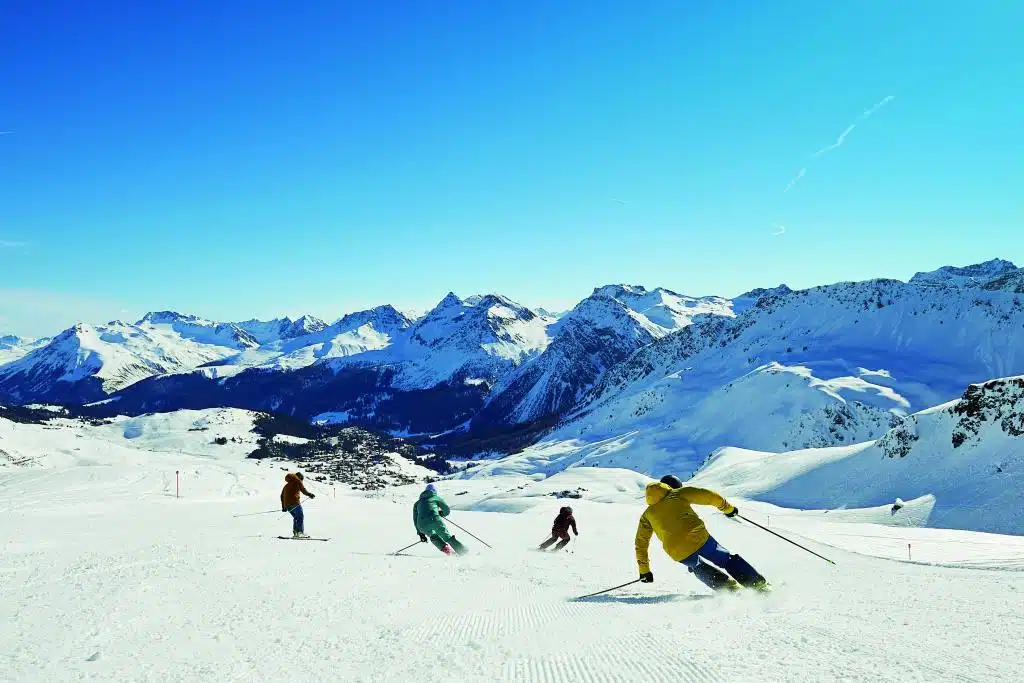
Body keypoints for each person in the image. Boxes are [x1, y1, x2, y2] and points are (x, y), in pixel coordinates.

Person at [634, 474, 768, 592]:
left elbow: (641, 544)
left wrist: (644, 571)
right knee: (726, 559)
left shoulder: (647, 515)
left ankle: (727, 588)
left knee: (696, 566)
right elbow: (709, 496)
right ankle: (758, 585)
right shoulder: (678, 493)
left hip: (676, 551)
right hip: (698, 538)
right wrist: (728, 509)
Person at [413, 484, 468, 556]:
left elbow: (415, 518)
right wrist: (441, 513)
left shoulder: (417, 503)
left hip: (421, 524)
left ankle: (447, 550)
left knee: (433, 536)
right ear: (434, 491)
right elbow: (447, 510)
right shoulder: (435, 497)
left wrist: (421, 533)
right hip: (434, 519)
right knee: (446, 536)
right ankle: (464, 552)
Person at [281, 472, 315, 538]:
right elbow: (303, 489)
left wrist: (284, 507)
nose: (302, 481)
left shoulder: (286, 485)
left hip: (287, 505)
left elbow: (282, 496)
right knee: (300, 517)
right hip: (295, 503)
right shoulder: (297, 481)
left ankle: (296, 533)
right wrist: (309, 494)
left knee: (296, 517)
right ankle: (300, 533)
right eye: (301, 479)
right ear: (299, 478)